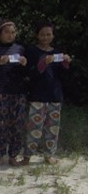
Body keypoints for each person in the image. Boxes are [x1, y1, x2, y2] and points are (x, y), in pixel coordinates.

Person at [21, 21, 72, 165]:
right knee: (33, 127)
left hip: (55, 94)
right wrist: (42, 63)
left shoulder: (57, 52)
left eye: (48, 34)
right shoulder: (31, 51)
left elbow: (64, 75)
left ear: (53, 35)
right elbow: (28, 73)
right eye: (42, 34)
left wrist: (66, 63)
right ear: (37, 35)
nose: (45, 37)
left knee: (53, 127)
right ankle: (27, 156)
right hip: (37, 94)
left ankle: (49, 155)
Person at [0, 20, 28, 167]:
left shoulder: (20, 49)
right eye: (7, 32)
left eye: (13, 32)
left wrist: (24, 63)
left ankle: (13, 155)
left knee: (17, 124)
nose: (10, 35)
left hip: (18, 91)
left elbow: (27, 72)